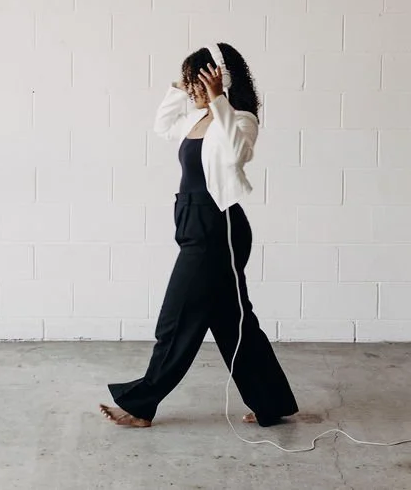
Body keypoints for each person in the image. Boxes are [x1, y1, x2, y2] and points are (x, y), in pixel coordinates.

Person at [100, 43, 298, 429]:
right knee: (233, 323)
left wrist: (219, 99)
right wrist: (179, 86)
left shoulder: (240, 119)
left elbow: (235, 153)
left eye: (197, 81)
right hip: (191, 222)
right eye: (191, 82)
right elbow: (162, 125)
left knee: (176, 320)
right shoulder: (194, 120)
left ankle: (141, 404)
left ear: (218, 80)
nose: (193, 90)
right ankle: (272, 403)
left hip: (218, 228)